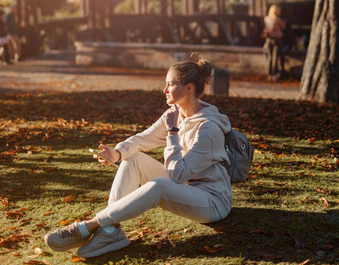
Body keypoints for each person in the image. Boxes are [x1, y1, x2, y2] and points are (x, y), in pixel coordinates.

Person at [44, 54, 232, 258]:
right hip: (185, 187)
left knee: (160, 185)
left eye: (170, 84)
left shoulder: (208, 128)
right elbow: (144, 139)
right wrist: (116, 153)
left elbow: (177, 175)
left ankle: (88, 225)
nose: (164, 90)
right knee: (132, 158)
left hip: (212, 201)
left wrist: (172, 133)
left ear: (189, 88)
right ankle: (110, 231)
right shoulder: (175, 113)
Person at [263, 4, 286, 80]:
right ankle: (275, 74)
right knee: (275, 57)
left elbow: (266, 28)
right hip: (277, 39)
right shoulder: (277, 19)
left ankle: (269, 74)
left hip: (269, 39)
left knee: (270, 58)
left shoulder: (266, 19)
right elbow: (283, 27)